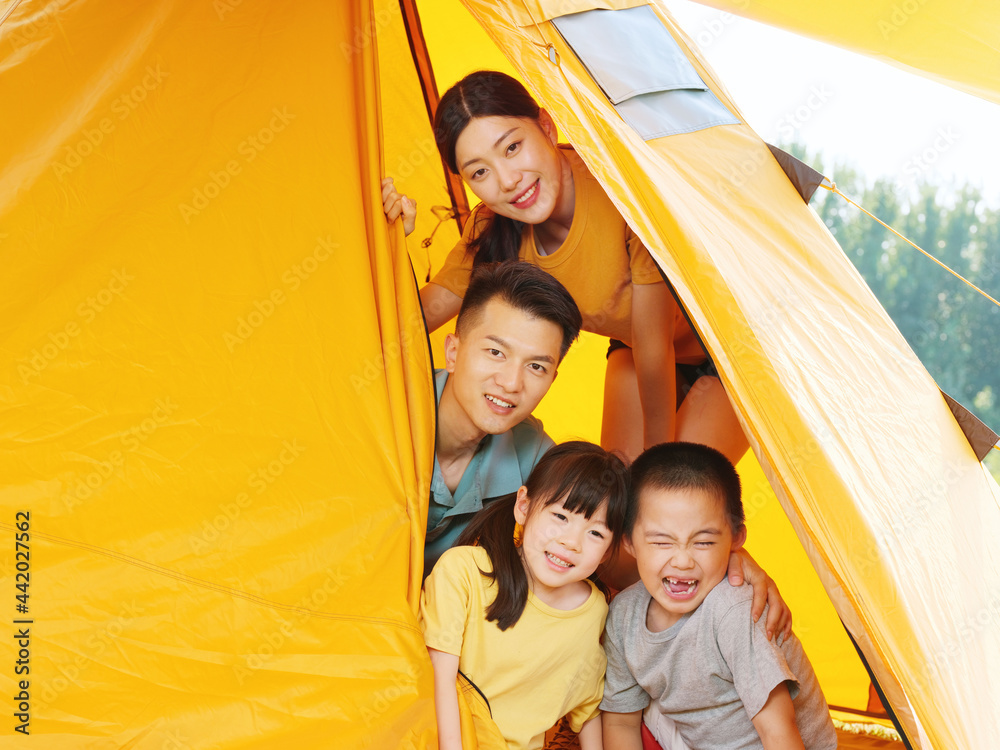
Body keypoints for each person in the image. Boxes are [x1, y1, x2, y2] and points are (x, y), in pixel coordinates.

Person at [382, 69, 748, 467]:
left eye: (512, 147)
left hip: (729, 344)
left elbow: (655, 347)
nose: (507, 181)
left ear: (546, 125)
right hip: (636, 350)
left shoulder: (619, 190)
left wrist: (655, 470)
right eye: (479, 172)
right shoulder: (491, 229)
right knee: (617, 504)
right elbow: (413, 323)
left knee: (664, 493)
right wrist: (387, 239)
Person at [600, 443, 837, 750]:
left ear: (736, 538)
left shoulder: (735, 611)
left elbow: (779, 731)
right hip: (702, 736)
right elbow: (621, 721)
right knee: (627, 707)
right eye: (661, 542)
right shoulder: (624, 615)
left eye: (703, 542)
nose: (682, 561)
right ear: (628, 541)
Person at [421, 441, 628, 750]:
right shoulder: (463, 571)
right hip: (432, 735)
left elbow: (586, 704)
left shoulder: (592, 610)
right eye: (560, 516)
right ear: (524, 506)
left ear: (608, 551)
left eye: (595, 532)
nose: (571, 542)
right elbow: (440, 680)